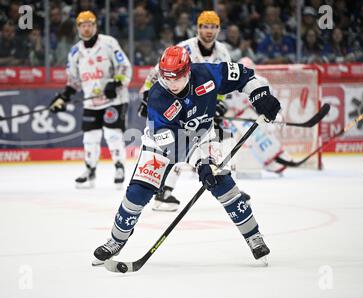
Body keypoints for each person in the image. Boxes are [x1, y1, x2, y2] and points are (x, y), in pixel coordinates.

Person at [92, 45, 281, 266]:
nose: (171, 83)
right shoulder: (158, 97)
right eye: (166, 77)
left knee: (224, 185)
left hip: (204, 136)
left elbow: (244, 76)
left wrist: (260, 95)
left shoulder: (208, 73)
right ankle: (116, 240)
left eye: (177, 77)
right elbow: (173, 146)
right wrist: (202, 164)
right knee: (137, 192)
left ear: (188, 70)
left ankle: (254, 237)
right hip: (162, 145)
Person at [138, 10, 250, 212]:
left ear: (218, 29)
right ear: (198, 28)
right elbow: (158, 72)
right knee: (181, 143)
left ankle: (228, 189)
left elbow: (224, 80)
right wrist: (146, 94)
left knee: (224, 140)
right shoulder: (184, 48)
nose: (208, 31)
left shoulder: (223, 52)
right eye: (204, 26)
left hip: (203, 107)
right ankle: (164, 192)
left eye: (213, 26)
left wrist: (219, 101)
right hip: (178, 106)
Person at [49, 11, 132, 188]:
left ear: (95, 26)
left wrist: (116, 83)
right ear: (78, 28)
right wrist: (64, 97)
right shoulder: (75, 52)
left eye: (90, 25)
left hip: (114, 99)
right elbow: (73, 81)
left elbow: (124, 66)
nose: (87, 28)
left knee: (113, 134)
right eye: (83, 25)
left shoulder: (109, 43)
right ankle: (90, 169)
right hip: (91, 101)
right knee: (90, 137)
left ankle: (119, 167)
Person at [223, 57, 293, 174]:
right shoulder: (231, 82)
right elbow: (224, 102)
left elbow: (271, 101)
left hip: (251, 115)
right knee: (226, 142)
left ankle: (273, 161)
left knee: (259, 138)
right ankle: (215, 164)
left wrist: (276, 115)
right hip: (232, 117)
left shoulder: (262, 82)